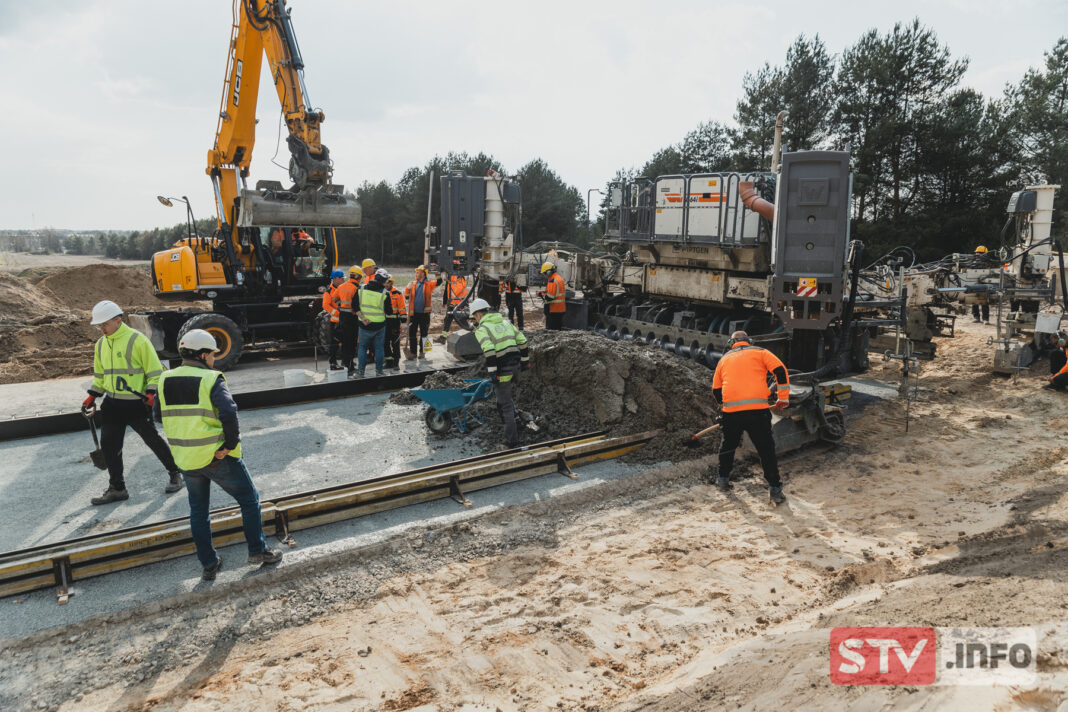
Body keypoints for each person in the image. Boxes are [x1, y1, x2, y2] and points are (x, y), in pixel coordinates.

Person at [155, 329, 282, 581]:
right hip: (216, 456)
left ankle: (209, 564)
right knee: (248, 500)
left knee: (198, 511)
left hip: (186, 459)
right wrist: (228, 445)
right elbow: (229, 412)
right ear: (203, 355)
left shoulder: (164, 379)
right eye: (212, 354)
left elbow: (158, 417)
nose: (213, 358)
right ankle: (258, 551)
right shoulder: (211, 378)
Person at [83, 300, 183, 505]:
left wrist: (151, 394)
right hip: (112, 404)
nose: (101, 329)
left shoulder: (137, 340)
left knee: (152, 440)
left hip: (136, 404)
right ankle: (117, 488)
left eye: (105, 324)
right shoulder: (101, 344)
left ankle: (175, 473)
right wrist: (93, 395)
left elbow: (156, 373)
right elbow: (100, 376)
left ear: (118, 320)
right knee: (110, 446)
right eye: (99, 325)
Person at [711, 330, 790, 504]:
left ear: (732, 343)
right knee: (766, 450)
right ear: (749, 341)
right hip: (757, 412)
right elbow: (780, 371)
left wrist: (722, 406)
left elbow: (716, 389)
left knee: (728, 447)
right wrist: (782, 398)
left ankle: (723, 480)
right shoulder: (761, 353)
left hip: (731, 414)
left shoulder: (723, 360)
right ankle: (775, 490)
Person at [470, 298, 530, 448]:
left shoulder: (482, 329)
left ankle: (511, 442)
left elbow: (490, 352)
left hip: (503, 369)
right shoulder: (505, 322)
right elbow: (522, 341)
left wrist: (492, 373)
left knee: (506, 406)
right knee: (504, 399)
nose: (474, 320)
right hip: (516, 367)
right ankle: (518, 423)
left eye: (474, 317)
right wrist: (525, 361)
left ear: (478, 314)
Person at [354, 268, 392, 377]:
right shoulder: (385, 293)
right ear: (384, 281)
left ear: (375, 277)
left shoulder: (360, 289)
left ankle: (361, 372)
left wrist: (363, 317)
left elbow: (354, 306)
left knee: (362, 347)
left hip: (364, 325)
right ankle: (379, 372)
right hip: (379, 326)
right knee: (379, 348)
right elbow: (389, 312)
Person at [404, 265, 440, 359]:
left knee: (424, 333)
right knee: (412, 334)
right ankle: (413, 353)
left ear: (423, 273)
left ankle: (423, 353)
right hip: (413, 314)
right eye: (416, 272)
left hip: (425, 314)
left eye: (418, 272)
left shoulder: (429, 284)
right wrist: (408, 288)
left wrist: (437, 272)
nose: (416, 274)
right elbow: (406, 297)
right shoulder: (413, 284)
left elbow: (439, 281)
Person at [335, 266, 362, 373]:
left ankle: (345, 363)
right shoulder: (357, 288)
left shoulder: (341, 286)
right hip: (352, 317)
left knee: (345, 341)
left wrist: (340, 307)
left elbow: (334, 299)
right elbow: (358, 304)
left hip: (342, 317)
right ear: (359, 277)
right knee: (352, 342)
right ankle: (349, 366)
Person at [322, 269, 346, 370]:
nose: (343, 280)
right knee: (334, 343)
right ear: (335, 279)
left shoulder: (344, 288)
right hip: (335, 322)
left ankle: (346, 361)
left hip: (345, 320)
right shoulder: (329, 292)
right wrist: (335, 313)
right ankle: (333, 363)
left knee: (346, 342)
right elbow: (325, 305)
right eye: (341, 278)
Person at [384, 276, 406, 371]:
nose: (386, 284)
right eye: (385, 282)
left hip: (395, 323)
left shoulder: (398, 294)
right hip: (384, 323)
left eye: (388, 282)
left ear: (391, 283)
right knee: (385, 343)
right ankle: (389, 362)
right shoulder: (382, 293)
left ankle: (396, 363)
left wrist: (404, 321)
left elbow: (402, 308)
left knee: (395, 343)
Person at [539, 262, 566, 330]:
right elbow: (554, 293)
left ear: (548, 272)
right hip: (560, 309)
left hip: (553, 310)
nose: (544, 275)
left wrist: (541, 295)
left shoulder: (552, 281)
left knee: (552, 331)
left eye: (544, 273)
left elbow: (549, 297)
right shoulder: (559, 278)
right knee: (558, 329)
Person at [441, 270, 469, 336]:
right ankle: (443, 337)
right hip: (455, 303)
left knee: (459, 320)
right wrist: (444, 301)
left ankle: (470, 333)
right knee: (448, 320)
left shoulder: (458, 278)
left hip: (457, 303)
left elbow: (462, 291)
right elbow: (447, 290)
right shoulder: (458, 278)